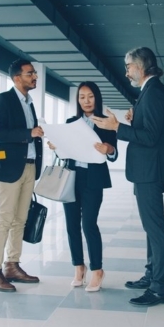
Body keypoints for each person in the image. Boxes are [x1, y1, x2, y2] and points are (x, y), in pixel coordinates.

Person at [92, 47, 164, 306]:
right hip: (146, 170)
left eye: (128, 67)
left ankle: (159, 288)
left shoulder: (154, 93)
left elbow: (150, 138)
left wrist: (118, 127)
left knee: (156, 230)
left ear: (140, 67)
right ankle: (152, 275)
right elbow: (150, 129)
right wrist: (133, 119)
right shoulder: (149, 92)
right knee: (152, 229)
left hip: (149, 171)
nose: (126, 72)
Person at [48, 81, 118, 292]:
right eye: (81, 97)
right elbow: (64, 151)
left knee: (88, 224)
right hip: (71, 177)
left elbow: (113, 153)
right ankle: (79, 267)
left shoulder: (106, 122)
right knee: (71, 225)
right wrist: (56, 146)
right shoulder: (71, 122)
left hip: (93, 178)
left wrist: (108, 149)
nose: (86, 101)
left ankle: (97, 270)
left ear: (96, 98)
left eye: (90, 96)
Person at [0, 59, 44, 292]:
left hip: (29, 166)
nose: (35, 77)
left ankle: (12, 264)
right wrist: (29, 133)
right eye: (30, 73)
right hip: (9, 169)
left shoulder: (29, 103)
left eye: (35, 73)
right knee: (4, 219)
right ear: (17, 77)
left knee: (20, 219)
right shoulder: (4, 100)